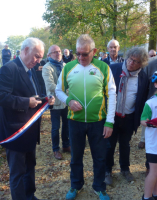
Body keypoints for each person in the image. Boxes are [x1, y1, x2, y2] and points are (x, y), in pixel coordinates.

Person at [0, 37, 55, 200]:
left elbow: (32, 96)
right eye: (36, 56)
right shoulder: (9, 68)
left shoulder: (31, 69)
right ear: (25, 50)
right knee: (18, 172)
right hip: (14, 131)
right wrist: (26, 102)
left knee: (30, 166)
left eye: (41, 57)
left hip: (29, 130)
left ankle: (29, 196)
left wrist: (46, 100)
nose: (39, 61)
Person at [56, 34, 116, 200]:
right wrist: (68, 101)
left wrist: (110, 122)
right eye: (78, 54)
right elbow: (58, 91)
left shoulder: (103, 68)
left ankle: (99, 186)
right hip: (75, 122)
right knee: (76, 156)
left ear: (94, 51)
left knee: (100, 157)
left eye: (85, 54)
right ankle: (76, 185)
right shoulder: (68, 67)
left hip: (98, 121)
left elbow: (112, 94)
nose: (81, 57)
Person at [105, 47, 149, 186]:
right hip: (112, 116)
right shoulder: (113, 69)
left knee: (125, 144)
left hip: (129, 117)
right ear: (127, 57)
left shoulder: (143, 77)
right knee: (109, 145)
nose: (131, 63)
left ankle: (125, 169)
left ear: (141, 64)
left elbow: (141, 99)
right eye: (130, 59)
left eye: (136, 61)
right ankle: (107, 171)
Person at [42, 45, 70, 160]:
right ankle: (55, 149)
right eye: (54, 52)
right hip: (55, 101)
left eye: (59, 51)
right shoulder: (47, 67)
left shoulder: (65, 66)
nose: (58, 53)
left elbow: (70, 81)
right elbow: (50, 85)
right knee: (55, 127)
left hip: (66, 101)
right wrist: (65, 91)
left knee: (66, 125)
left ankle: (66, 145)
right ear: (49, 55)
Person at [141, 71, 157, 200]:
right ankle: (147, 196)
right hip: (154, 143)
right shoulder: (150, 102)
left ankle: (155, 194)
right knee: (154, 171)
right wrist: (152, 123)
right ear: (155, 84)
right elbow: (143, 120)